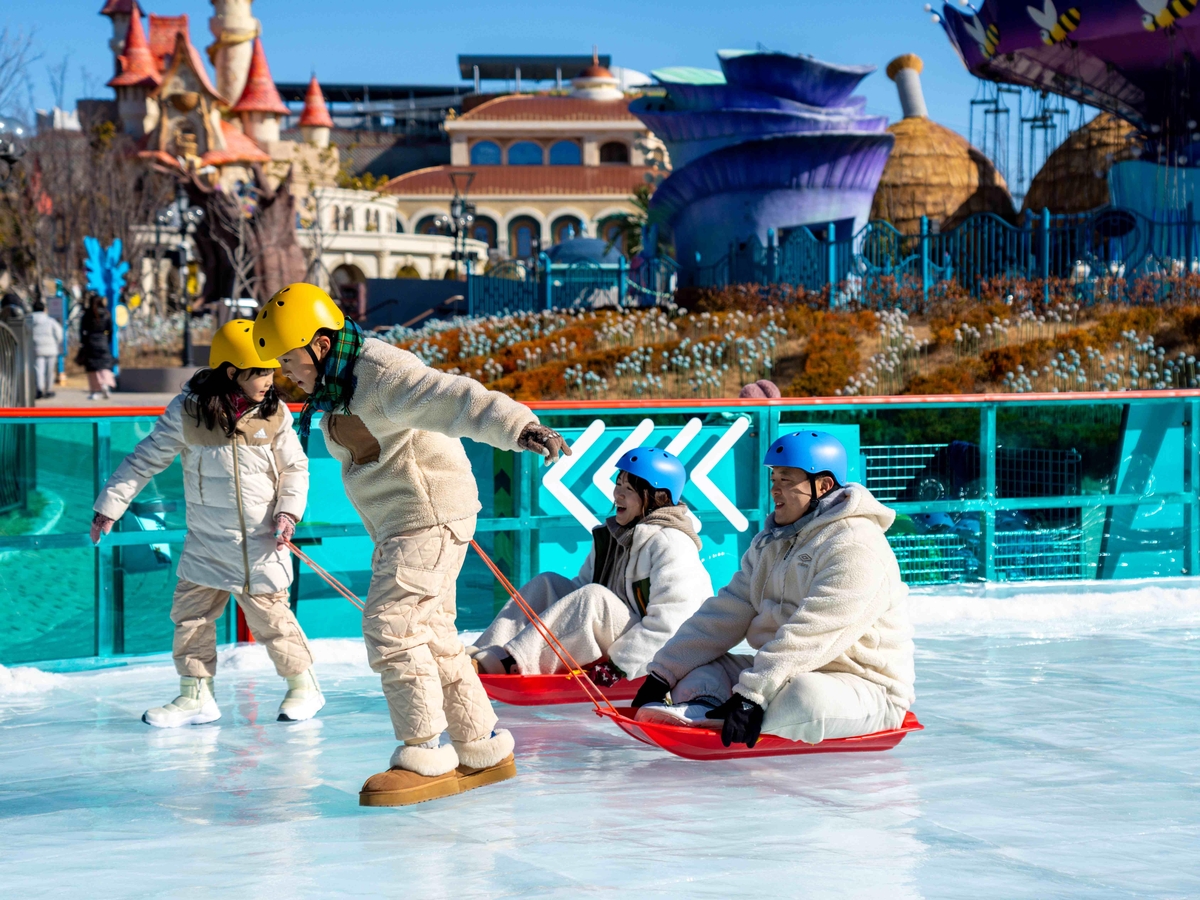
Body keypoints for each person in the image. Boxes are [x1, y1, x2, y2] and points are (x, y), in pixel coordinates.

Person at [253, 283, 569, 807]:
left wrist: (520, 426)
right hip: (408, 520)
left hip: (428, 514)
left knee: (391, 626)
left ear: (322, 345)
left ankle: (425, 751)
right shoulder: (338, 385)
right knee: (434, 634)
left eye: (291, 359)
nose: (289, 372)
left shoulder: (379, 372)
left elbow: (454, 397)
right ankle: (480, 745)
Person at [90, 320, 323, 728]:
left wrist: (288, 512)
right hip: (206, 541)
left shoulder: (275, 414)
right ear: (232, 372)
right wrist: (109, 507)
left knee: (272, 621)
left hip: (259, 541)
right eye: (260, 372)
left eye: (272, 370)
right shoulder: (188, 413)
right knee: (190, 617)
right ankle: (195, 695)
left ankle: (304, 688)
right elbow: (144, 459)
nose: (271, 380)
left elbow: (295, 469)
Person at [631, 431, 915, 749]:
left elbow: (814, 632)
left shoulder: (856, 545)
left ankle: (717, 716)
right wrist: (664, 672)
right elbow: (728, 609)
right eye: (774, 477)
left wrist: (752, 696)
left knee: (803, 696)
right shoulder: (773, 541)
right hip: (783, 671)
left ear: (823, 486)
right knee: (698, 671)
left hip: (863, 686)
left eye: (787, 479)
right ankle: (704, 711)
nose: (775, 489)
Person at [470, 447, 712, 684]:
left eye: (629, 489)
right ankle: (483, 653)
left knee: (594, 598)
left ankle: (513, 663)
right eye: (618, 484)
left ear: (657, 497)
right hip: (618, 636)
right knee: (547, 583)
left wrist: (619, 666)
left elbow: (674, 624)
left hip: (655, 655)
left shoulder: (672, 543)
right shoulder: (613, 536)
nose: (618, 495)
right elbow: (578, 596)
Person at [78, 292, 115, 400]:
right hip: (103, 341)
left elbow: (82, 330)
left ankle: (94, 391)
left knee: (92, 368)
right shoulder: (106, 314)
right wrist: (106, 340)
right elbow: (111, 330)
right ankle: (105, 384)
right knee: (104, 365)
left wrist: (83, 342)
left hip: (90, 342)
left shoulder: (87, 315)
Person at [28, 296, 63, 399]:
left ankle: (39, 389)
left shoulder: (29, 320)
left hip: (36, 348)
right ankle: (48, 390)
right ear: (44, 309)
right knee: (49, 371)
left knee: (39, 370)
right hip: (51, 348)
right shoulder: (50, 320)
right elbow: (59, 334)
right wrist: (56, 343)